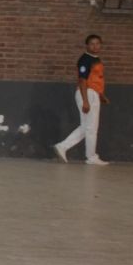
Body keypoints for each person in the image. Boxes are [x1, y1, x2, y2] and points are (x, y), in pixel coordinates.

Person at [53, 34, 110, 166]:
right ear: (87, 46)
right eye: (92, 44)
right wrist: (86, 100)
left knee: (86, 127)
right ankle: (91, 157)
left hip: (93, 94)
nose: (95, 46)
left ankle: (62, 146)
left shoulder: (96, 59)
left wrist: (101, 96)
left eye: (98, 43)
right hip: (87, 93)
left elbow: (97, 79)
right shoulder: (85, 60)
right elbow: (82, 80)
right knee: (91, 128)